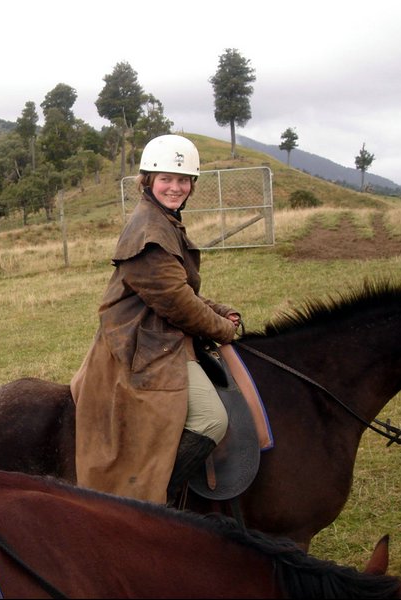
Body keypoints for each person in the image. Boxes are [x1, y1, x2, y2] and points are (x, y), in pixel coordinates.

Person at [70, 134, 242, 506]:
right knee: (212, 419)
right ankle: (152, 496)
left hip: (159, 334)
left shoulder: (163, 220)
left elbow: (174, 285)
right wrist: (223, 328)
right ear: (148, 180)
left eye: (183, 180)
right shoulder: (149, 230)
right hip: (143, 345)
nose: (175, 187)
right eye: (166, 178)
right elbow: (177, 302)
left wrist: (216, 308)